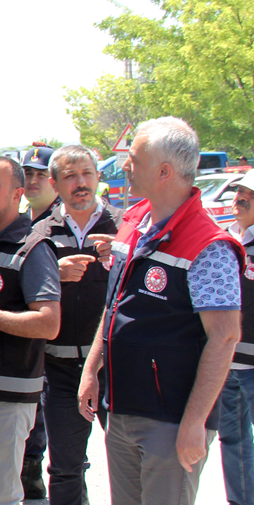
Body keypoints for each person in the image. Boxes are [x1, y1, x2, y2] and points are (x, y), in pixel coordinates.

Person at [78, 117, 243, 505]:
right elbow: (115, 303)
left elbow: (224, 337)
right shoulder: (134, 220)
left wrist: (194, 423)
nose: (125, 166)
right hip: (121, 408)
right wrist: (92, 369)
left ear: (164, 172)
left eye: (133, 158)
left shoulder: (209, 245)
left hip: (171, 420)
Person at [0, 156, 62, 505]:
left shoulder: (33, 249)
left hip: (7, 395)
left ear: (18, 194)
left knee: (0, 495)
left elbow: (48, 323)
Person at [31, 145, 122, 505]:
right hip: (61, 368)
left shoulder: (126, 228)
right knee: (66, 468)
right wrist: (55, 273)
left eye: (86, 174)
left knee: (130, 465)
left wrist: (123, 256)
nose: (80, 183)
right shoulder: (39, 232)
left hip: (117, 367)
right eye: (70, 176)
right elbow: (22, 294)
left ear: (99, 177)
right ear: (55, 184)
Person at [18, 145, 59, 497]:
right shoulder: (28, 221)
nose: (32, 180)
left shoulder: (59, 223)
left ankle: (36, 472)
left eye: (39, 174)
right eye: (27, 174)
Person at [220, 171, 254, 504]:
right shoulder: (223, 240)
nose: (239, 198)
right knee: (232, 439)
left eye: (249, 194)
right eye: (239, 191)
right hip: (226, 363)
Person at [23, 146, 59, 223]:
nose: (32, 181)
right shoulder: (17, 219)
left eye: (41, 174)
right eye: (28, 174)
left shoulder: (67, 218)